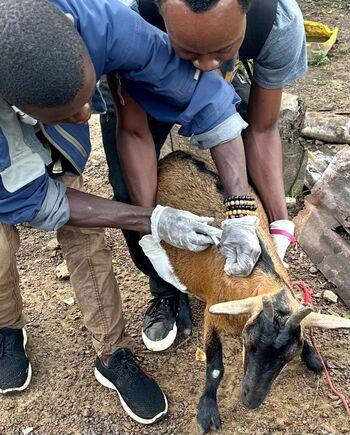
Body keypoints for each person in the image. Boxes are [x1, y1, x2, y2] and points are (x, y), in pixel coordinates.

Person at [0, 0, 261, 424]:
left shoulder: (103, 24)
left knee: (87, 241)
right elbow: (27, 200)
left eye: (89, 98)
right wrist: (150, 221)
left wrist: (240, 208)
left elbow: (203, 93)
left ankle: (113, 353)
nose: (87, 115)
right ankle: (6, 329)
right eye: (71, 113)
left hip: (42, 105)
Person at [100, 0, 306, 351]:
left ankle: (242, 273)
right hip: (144, 80)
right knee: (129, 190)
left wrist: (279, 224)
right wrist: (151, 226)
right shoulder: (131, 21)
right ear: (163, 12)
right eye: (189, 51)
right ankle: (165, 289)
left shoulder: (279, 23)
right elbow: (135, 134)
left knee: (245, 172)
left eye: (224, 48)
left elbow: (262, 129)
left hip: (228, 82)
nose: (208, 65)